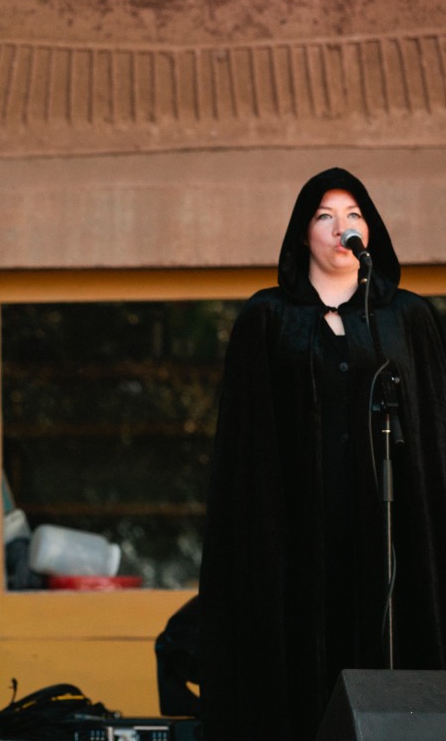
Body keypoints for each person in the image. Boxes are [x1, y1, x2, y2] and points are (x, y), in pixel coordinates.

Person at [200, 167, 446, 740]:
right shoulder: (267, 318)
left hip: (389, 530)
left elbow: (434, 436)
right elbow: (244, 452)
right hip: (297, 537)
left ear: (372, 231)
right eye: (325, 216)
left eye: (354, 215)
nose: (342, 228)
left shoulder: (407, 318)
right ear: (302, 234)